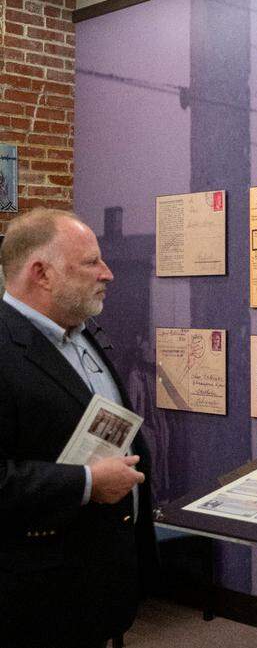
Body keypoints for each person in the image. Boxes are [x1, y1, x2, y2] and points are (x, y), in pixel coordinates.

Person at [0, 208, 156, 648]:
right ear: (41, 273)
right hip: (32, 602)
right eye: (91, 262)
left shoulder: (82, 333)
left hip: (95, 585)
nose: (107, 273)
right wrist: (87, 483)